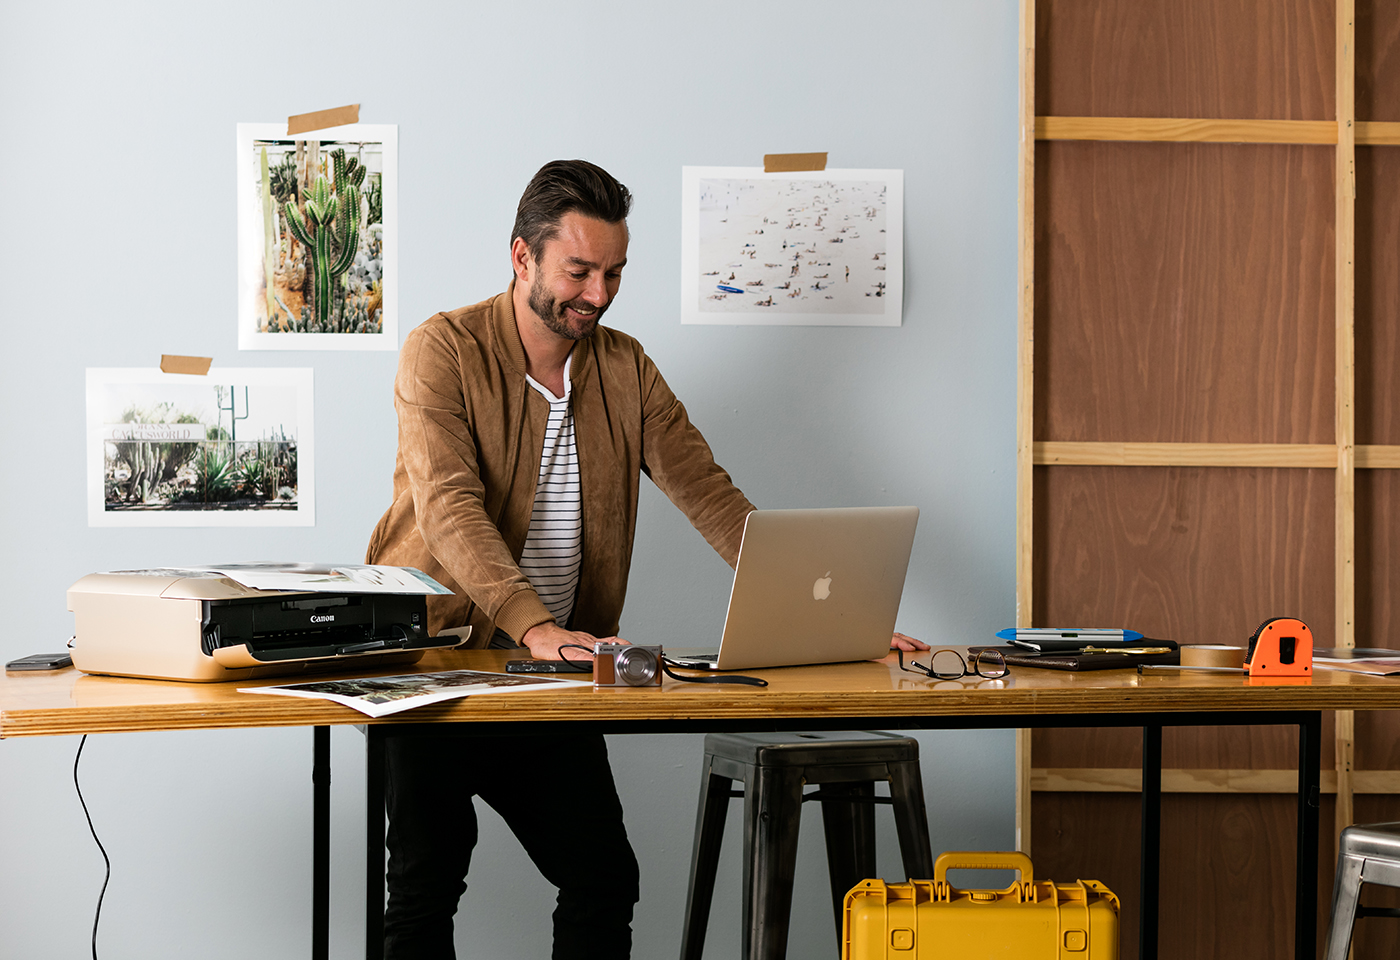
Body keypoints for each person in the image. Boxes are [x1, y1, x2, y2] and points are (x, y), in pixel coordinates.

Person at [365, 159, 924, 959]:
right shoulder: (442, 349)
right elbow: (449, 505)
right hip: (438, 669)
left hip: (555, 672)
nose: (598, 293)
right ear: (521, 256)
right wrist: (531, 625)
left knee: (602, 879)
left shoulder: (625, 369)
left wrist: (835, 618)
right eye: (580, 271)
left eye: (615, 273)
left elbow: (711, 495)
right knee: (424, 889)